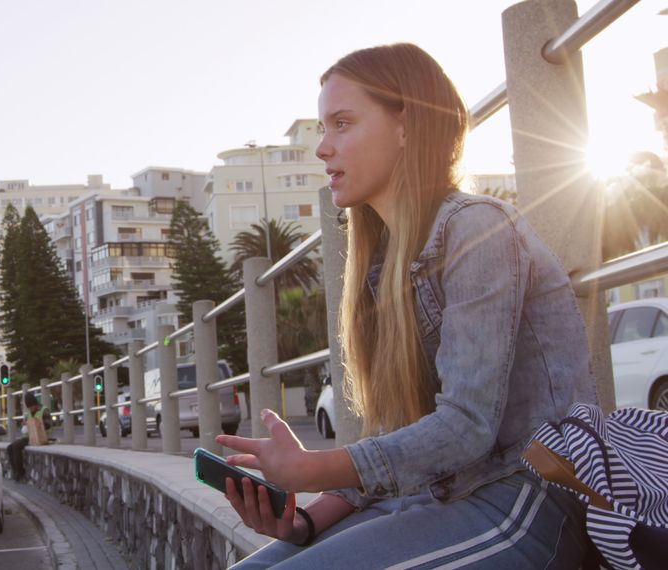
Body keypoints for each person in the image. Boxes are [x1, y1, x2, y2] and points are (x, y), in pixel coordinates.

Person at [216, 43, 598, 568]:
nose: (323, 148)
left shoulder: (477, 228)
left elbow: (466, 428)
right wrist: (305, 518)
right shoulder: (383, 264)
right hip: (437, 495)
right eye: (324, 129)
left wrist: (315, 469)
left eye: (342, 123)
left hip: (527, 496)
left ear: (406, 126)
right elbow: (394, 439)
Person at [7, 393, 52, 481]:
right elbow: (26, 426)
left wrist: (37, 423)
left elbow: (48, 425)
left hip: (41, 436)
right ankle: (15, 470)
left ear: (35, 404)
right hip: (30, 436)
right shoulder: (29, 413)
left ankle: (20, 472)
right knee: (9, 447)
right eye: (29, 407)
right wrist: (25, 424)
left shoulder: (44, 410)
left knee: (16, 446)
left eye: (32, 407)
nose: (31, 409)